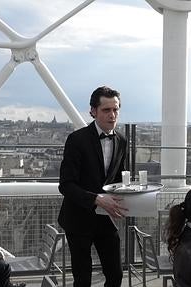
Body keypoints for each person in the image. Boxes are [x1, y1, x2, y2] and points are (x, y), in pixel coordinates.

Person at [58, 86, 128, 287]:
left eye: (115, 109)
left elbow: (119, 178)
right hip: (78, 218)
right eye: (106, 110)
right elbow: (66, 185)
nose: (112, 115)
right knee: (83, 279)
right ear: (93, 111)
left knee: (115, 275)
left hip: (106, 218)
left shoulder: (122, 140)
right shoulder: (77, 140)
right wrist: (96, 199)